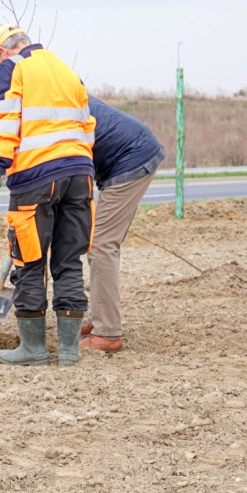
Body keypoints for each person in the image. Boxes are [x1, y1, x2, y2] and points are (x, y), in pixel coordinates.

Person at [0, 24, 96, 367]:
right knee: (69, 260)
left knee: (29, 260)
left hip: (35, 178)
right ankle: (69, 352)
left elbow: (5, 124)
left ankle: (33, 349)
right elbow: (88, 127)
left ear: (3, 52)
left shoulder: (11, 68)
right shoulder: (68, 72)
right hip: (80, 175)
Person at [80, 97, 165, 352]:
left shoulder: (51, 104)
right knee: (100, 242)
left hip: (130, 156)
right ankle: (99, 318)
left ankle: (107, 333)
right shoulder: (55, 90)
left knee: (101, 244)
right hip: (129, 151)